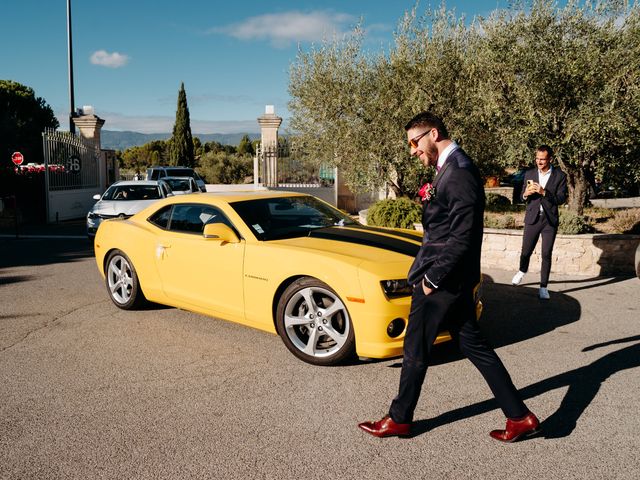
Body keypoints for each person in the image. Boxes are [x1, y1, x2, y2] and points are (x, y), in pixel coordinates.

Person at [358, 112, 539, 442]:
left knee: (415, 348)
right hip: (452, 280)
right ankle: (520, 416)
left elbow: (462, 237)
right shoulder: (449, 169)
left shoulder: (458, 173)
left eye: (415, 142)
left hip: (441, 280)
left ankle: (399, 419)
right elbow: (444, 222)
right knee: (474, 344)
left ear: (434, 133)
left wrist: (432, 279)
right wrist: (428, 196)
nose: (412, 151)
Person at [511, 145, 568, 300]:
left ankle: (543, 287)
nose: (539, 162)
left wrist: (544, 192)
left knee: (546, 254)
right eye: (537, 158)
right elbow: (521, 196)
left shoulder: (560, 176)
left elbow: (561, 199)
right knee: (525, 251)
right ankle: (522, 271)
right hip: (532, 218)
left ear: (550, 159)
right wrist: (525, 194)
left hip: (549, 220)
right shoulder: (529, 173)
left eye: (542, 159)